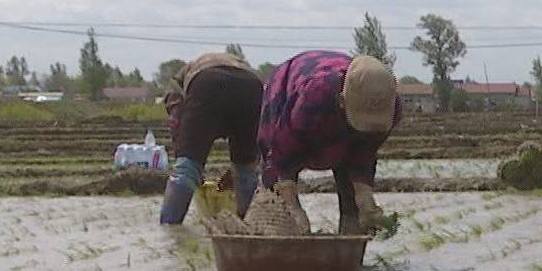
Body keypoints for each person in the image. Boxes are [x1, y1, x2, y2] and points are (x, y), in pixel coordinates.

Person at [257, 51, 400, 235]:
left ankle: (350, 244)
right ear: (342, 100)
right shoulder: (313, 97)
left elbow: (364, 154)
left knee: (354, 207)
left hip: (333, 109)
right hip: (291, 88)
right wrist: (291, 205)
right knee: (280, 209)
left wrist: (365, 199)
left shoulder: (389, 104)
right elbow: (282, 152)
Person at [159, 51, 264, 225]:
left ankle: (169, 228)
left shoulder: (177, 83)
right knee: (246, 172)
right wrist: (239, 171)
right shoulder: (240, 66)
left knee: (186, 169)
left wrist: (188, 157)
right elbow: (258, 137)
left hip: (208, 84)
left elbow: (176, 122)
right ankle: (250, 228)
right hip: (252, 86)